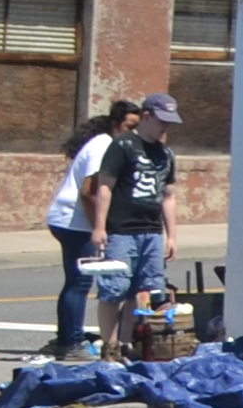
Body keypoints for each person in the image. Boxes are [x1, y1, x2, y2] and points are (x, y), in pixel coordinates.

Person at [40, 98, 138, 362]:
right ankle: (70, 343)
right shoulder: (104, 146)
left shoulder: (107, 144)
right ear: (116, 124)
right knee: (79, 282)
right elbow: (89, 192)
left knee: (75, 281)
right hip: (74, 222)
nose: (133, 132)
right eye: (130, 126)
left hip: (71, 220)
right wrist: (100, 226)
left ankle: (66, 338)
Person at [88, 92, 183, 353]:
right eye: (161, 120)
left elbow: (169, 195)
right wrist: (99, 226)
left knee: (140, 289)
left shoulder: (166, 153)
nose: (166, 127)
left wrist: (171, 235)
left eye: (170, 122)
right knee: (114, 288)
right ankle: (109, 344)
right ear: (147, 116)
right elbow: (105, 186)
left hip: (151, 230)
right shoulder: (124, 146)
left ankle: (126, 342)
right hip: (122, 230)